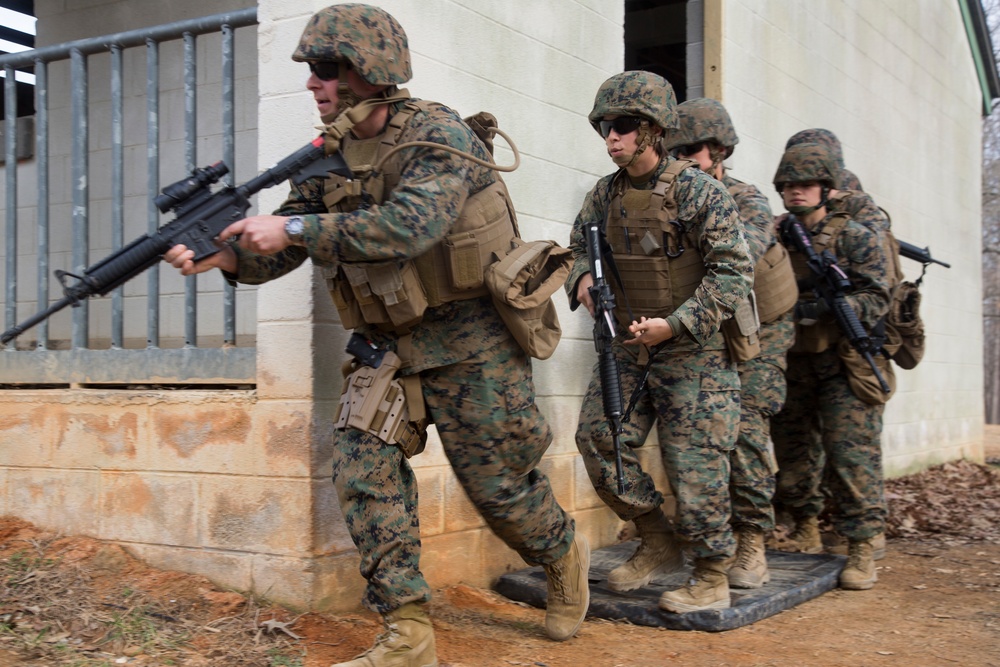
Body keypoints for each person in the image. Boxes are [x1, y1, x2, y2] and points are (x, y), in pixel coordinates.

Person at [164, 5, 589, 665]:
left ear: (372, 72)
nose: (314, 84)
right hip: (387, 345)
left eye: (328, 69)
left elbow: (409, 226)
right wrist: (228, 256)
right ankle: (408, 634)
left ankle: (561, 551)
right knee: (363, 471)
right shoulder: (328, 156)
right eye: (311, 70)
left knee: (500, 488)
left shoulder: (440, 138)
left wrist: (296, 230)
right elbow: (284, 241)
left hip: (470, 338)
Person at [565, 71, 754, 613]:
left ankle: (712, 573)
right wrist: (580, 280)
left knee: (694, 461)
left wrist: (675, 323)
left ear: (652, 131)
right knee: (598, 439)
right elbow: (578, 249)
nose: (611, 138)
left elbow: (733, 275)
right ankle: (656, 539)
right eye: (605, 127)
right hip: (628, 345)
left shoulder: (700, 192)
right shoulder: (604, 195)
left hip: (693, 349)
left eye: (622, 126)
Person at [666, 98, 798, 589]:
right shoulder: (670, 195)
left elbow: (740, 253)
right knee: (703, 428)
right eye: (675, 150)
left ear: (719, 151)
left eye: (693, 150)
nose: (684, 159)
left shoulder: (746, 198)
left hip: (759, 324)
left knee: (745, 425)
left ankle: (752, 539)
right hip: (706, 324)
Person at [768, 142, 892, 590]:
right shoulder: (775, 236)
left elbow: (879, 294)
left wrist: (829, 307)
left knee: (850, 454)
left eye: (806, 184)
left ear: (826, 188)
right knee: (794, 450)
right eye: (788, 185)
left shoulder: (855, 235)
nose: (796, 192)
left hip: (843, 360)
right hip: (793, 359)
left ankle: (861, 545)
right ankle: (805, 526)